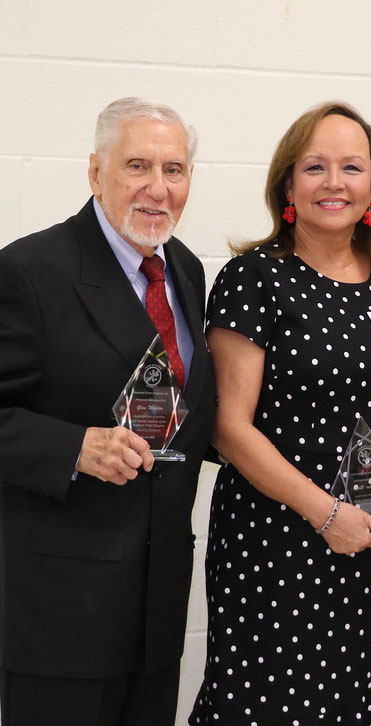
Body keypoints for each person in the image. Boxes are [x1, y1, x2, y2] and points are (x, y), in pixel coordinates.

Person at [189, 101, 371, 724]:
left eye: (351, 167)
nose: (334, 183)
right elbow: (228, 426)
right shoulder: (255, 278)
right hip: (280, 544)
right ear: (288, 184)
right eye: (315, 166)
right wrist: (325, 515)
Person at [0, 97, 216, 726]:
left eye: (174, 170)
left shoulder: (184, 269)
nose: (157, 188)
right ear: (96, 172)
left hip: (156, 606)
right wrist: (73, 448)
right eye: (137, 166)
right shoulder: (30, 271)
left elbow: (185, 404)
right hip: (61, 614)